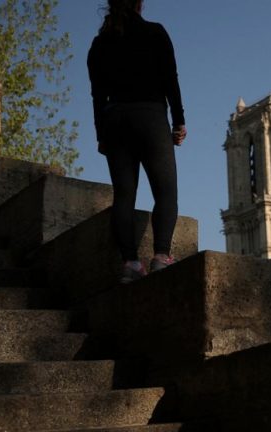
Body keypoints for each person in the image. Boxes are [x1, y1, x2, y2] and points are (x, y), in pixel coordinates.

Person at [87, 0, 187, 283]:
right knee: (166, 191)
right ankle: (161, 256)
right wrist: (179, 121)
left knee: (124, 195)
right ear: (140, 4)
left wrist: (100, 133)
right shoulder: (155, 32)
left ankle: (130, 262)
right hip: (150, 116)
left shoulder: (99, 44)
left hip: (115, 119)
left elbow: (97, 96)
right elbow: (171, 81)